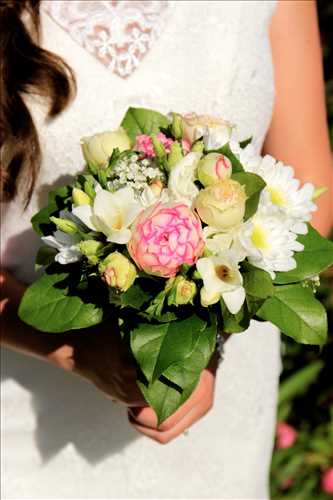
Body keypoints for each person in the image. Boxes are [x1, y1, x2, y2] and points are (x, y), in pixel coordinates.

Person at [1, 0, 332, 498]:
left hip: (220, 431)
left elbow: (308, 184)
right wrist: (73, 350)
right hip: (25, 420)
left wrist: (204, 339)